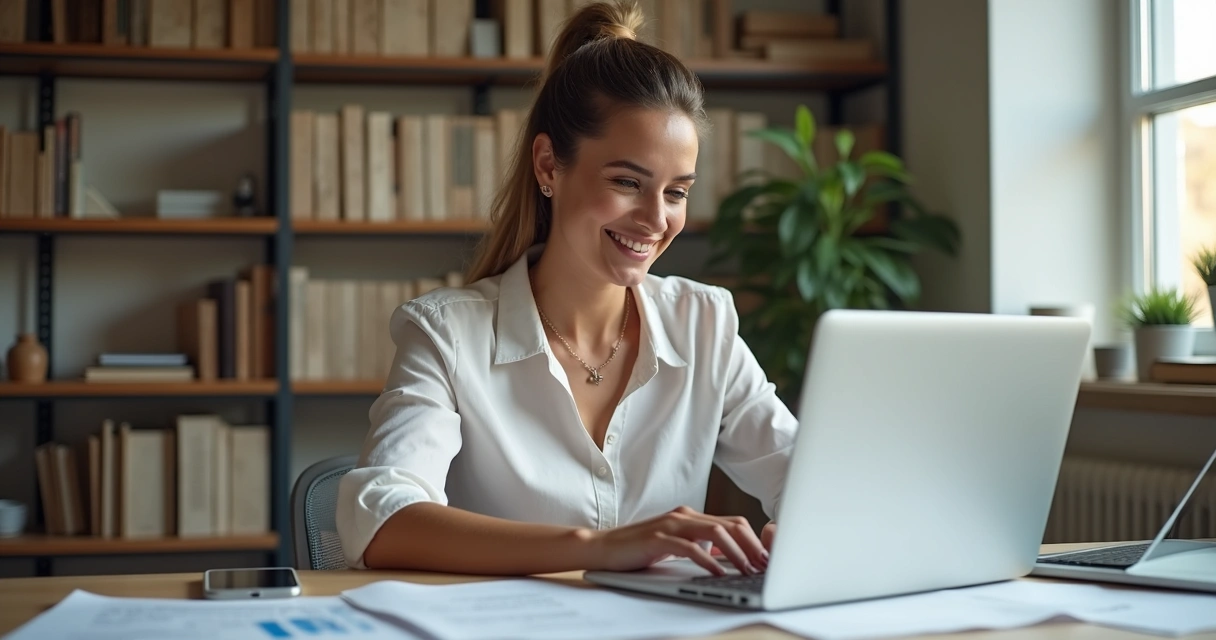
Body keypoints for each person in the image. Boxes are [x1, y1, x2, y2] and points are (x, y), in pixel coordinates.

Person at [335, 0, 797, 577]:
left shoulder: (703, 323)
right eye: (627, 181)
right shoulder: (448, 334)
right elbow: (381, 519)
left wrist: (814, 527)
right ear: (550, 165)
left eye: (676, 192)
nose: (656, 220)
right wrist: (599, 547)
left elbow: (805, 478)